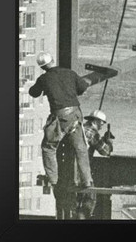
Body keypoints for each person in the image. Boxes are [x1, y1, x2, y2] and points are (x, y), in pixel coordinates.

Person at [29, 52, 93, 189]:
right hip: (75, 114)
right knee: (81, 148)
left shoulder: (43, 78)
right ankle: (87, 180)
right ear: (52, 60)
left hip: (60, 117)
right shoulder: (69, 73)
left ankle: (53, 180)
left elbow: (34, 93)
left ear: (42, 67)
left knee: (48, 147)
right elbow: (82, 87)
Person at [75, 109, 114, 220]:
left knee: (77, 200)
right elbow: (105, 151)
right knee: (90, 198)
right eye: (101, 122)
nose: (102, 125)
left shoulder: (81, 129)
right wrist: (109, 142)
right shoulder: (92, 133)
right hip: (82, 171)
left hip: (73, 170)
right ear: (95, 121)